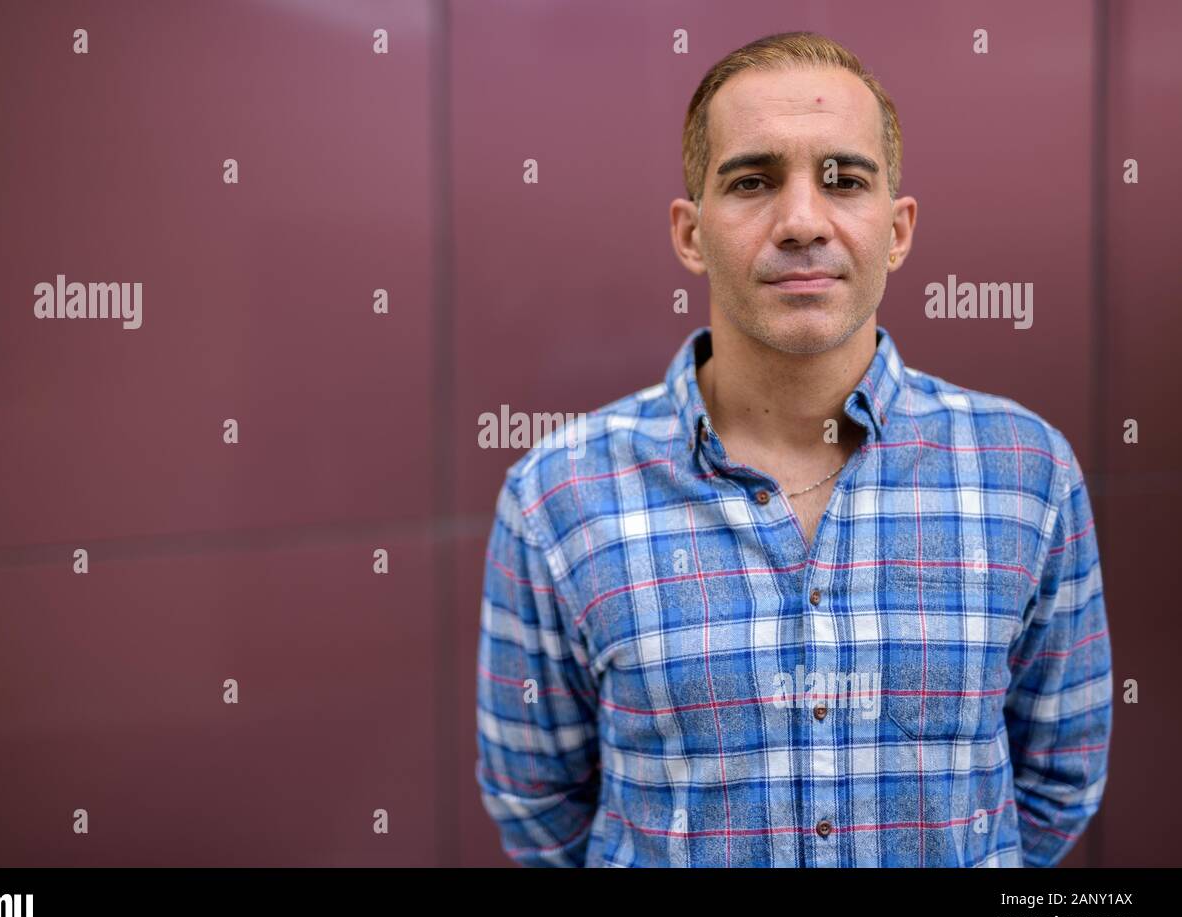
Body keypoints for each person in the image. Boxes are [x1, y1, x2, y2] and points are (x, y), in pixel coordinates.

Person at [474, 31, 1111, 867]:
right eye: (753, 180)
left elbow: (1059, 777)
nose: (803, 220)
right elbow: (538, 803)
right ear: (691, 233)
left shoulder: (1031, 476)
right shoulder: (557, 497)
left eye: (844, 180)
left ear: (898, 229)